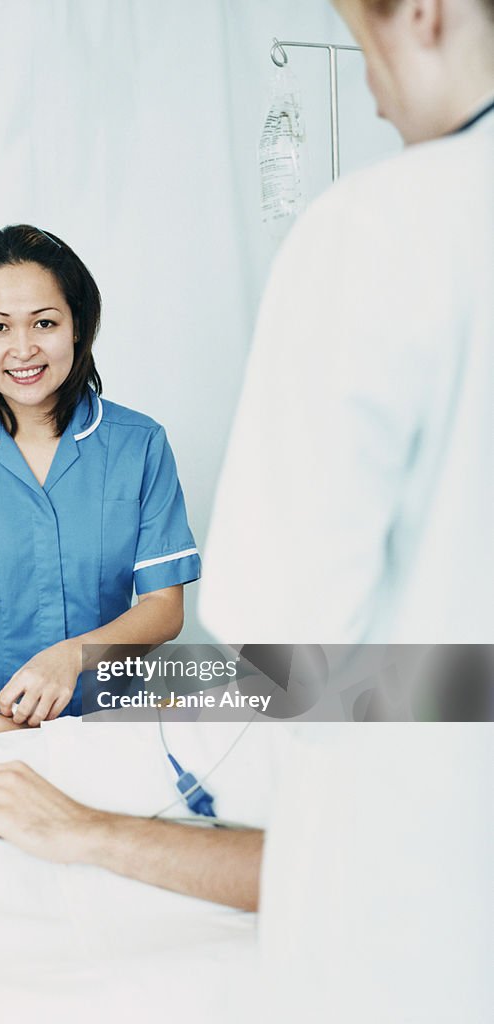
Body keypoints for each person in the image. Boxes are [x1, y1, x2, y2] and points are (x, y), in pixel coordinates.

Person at [0, 0, 494, 939]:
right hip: (19, 713)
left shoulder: (379, 230)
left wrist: (88, 798)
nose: (369, 87)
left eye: (44, 321)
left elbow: (269, 628)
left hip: (159, 725)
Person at [199, 0, 494, 646]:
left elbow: (282, 640)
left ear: (424, 12)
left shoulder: (377, 227)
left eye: (362, 45)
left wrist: (124, 740)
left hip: (426, 737)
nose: (375, 98)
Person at [0, 225, 200, 727]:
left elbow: (164, 606)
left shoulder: (139, 443)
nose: (23, 349)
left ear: (77, 325)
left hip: (111, 723)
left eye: (45, 323)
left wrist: (72, 657)